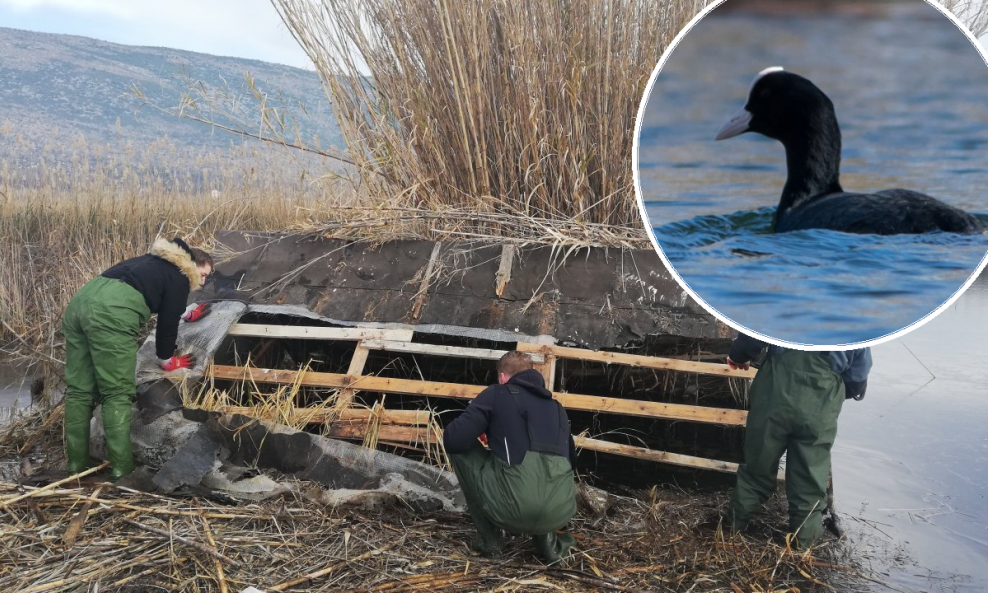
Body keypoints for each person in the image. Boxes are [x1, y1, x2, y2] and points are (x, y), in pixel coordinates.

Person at [62, 237, 213, 480]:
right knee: (117, 393)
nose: (203, 281)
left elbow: (151, 292)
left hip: (80, 304)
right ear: (191, 264)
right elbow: (167, 325)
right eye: (203, 274)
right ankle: (123, 470)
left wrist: (185, 311)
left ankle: (76, 466)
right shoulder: (180, 276)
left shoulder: (154, 262)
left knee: (79, 390)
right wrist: (167, 360)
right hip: (111, 315)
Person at [725, 333, 871, 548]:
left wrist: (738, 356)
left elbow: (755, 334)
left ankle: (730, 529)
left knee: (757, 466)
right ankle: (805, 546)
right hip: (820, 405)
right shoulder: (856, 319)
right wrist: (828, 391)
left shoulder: (788, 301)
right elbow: (857, 379)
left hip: (774, 395)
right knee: (809, 478)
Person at [443, 351, 578, 562]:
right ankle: (550, 547)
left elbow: (454, 439)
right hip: (560, 512)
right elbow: (572, 460)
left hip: (514, 511)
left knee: (461, 450)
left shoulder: (498, 393)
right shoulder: (557, 408)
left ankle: (490, 542)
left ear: (503, 377)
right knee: (544, 472)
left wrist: (486, 428)